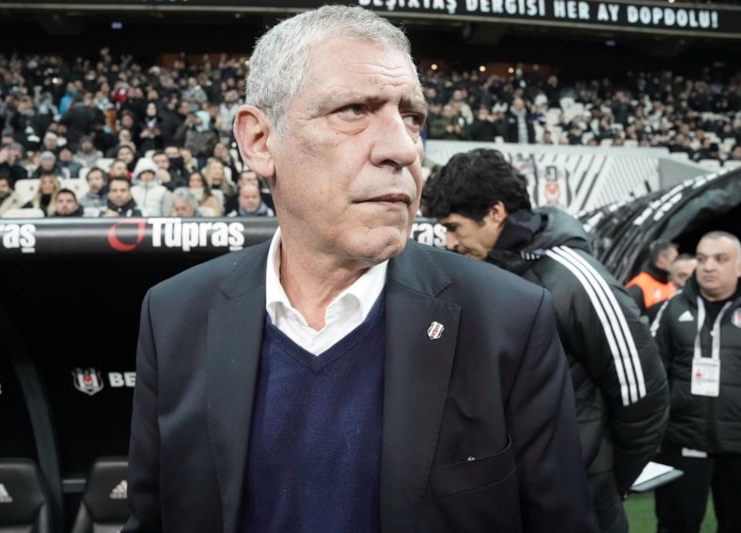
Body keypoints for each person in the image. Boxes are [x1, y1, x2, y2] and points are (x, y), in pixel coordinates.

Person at [125, 6, 598, 532]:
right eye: (354, 110)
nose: (403, 148)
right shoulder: (174, 316)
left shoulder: (509, 320)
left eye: (412, 117)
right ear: (259, 141)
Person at [421, 148, 669, 533]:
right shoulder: (479, 273)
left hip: (579, 502)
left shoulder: (575, 279)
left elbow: (643, 396)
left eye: (454, 227)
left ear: (495, 213)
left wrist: (600, 480)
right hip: (506, 497)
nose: (450, 242)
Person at [650, 231, 741, 533]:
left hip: (738, 442)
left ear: (739, 266)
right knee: (677, 525)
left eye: (720, 259)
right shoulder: (672, 308)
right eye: (702, 259)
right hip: (683, 440)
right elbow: (653, 372)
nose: (708, 266)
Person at [625, 240, 679, 317]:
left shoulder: (672, 283)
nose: (678, 263)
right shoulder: (638, 286)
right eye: (675, 259)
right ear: (661, 259)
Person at [647, 253, 698, 319]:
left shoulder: (710, 308)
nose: (689, 280)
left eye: (694, 275)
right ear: (670, 278)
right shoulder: (657, 311)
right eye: (682, 276)